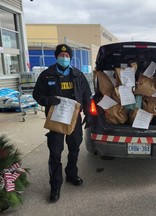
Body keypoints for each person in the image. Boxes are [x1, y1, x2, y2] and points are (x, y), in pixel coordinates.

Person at [33, 44, 92, 203]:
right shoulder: (47, 75)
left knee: (74, 149)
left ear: (70, 58)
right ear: (57, 56)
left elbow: (87, 96)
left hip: (74, 120)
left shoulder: (78, 75)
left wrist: (89, 113)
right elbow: (36, 93)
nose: (64, 58)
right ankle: (55, 186)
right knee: (55, 153)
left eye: (67, 56)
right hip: (56, 120)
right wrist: (46, 100)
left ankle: (71, 174)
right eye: (61, 55)